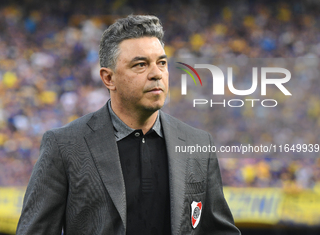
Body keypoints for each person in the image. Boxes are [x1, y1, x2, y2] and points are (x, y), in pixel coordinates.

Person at [16, 15, 241, 235]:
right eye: (141, 65)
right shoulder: (64, 145)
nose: (157, 74)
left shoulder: (198, 143)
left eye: (161, 63)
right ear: (108, 78)